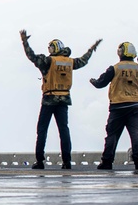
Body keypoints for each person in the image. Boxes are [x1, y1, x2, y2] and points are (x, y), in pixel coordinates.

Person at [20, 30, 101, 169]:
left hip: (49, 99)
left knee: (42, 130)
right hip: (64, 100)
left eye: (51, 47)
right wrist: (91, 50)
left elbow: (32, 57)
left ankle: (40, 161)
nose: (49, 50)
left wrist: (25, 42)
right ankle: (67, 161)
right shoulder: (70, 62)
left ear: (56, 48)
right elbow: (83, 60)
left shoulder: (48, 61)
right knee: (64, 130)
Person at [89, 42, 138, 170]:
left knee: (112, 135)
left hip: (117, 107)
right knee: (136, 134)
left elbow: (100, 83)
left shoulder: (115, 68)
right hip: (135, 106)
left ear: (120, 53)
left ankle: (107, 162)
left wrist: (93, 81)